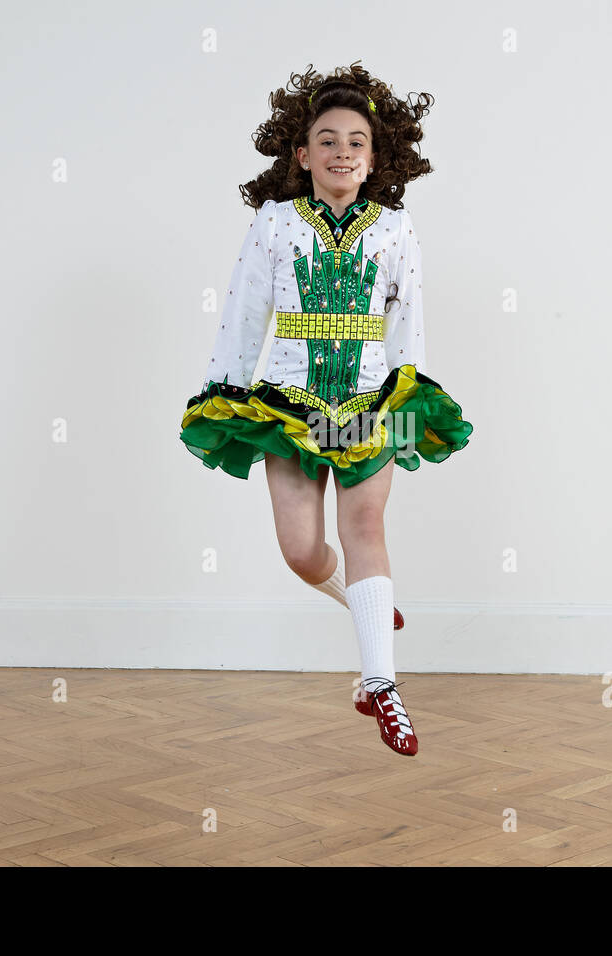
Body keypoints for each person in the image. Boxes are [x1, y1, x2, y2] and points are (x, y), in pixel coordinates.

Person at [178, 62, 472, 756]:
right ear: (301, 154)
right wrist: (223, 387)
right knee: (302, 550)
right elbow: (247, 311)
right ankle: (360, 606)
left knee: (366, 522)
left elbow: (409, 320)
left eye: (357, 142)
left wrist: (409, 388)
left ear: (376, 160)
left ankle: (382, 684)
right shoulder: (275, 224)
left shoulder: (396, 229)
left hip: (372, 399)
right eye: (329, 139)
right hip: (289, 403)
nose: (343, 151)